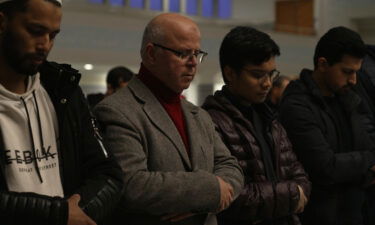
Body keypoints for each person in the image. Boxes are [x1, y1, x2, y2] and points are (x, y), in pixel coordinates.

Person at [94, 13, 244, 225]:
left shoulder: (198, 114)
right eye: (183, 53)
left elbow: (230, 166)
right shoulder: (117, 110)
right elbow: (132, 185)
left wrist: (202, 200)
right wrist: (207, 191)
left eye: (197, 53)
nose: (193, 63)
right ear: (151, 53)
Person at [0, 0, 123, 225]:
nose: (45, 45)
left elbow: (108, 173)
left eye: (53, 35)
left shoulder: (62, 90)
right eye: (36, 31)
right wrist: (59, 215)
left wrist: (78, 212)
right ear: (2, 23)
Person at [202, 26, 311, 225]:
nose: (267, 83)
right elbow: (228, 196)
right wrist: (290, 194)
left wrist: (296, 191)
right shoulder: (210, 122)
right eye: (257, 74)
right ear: (230, 73)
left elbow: (298, 173)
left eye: (271, 74)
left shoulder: (271, 118)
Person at [279, 26, 375, 225]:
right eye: (347, 71)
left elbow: (365, 147)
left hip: (355, 212)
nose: (353, 80)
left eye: (356, 72)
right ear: (323, 64)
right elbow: (325, 167)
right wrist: (368, 161)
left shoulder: (348, 98)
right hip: (319, 216)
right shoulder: (297, 104)